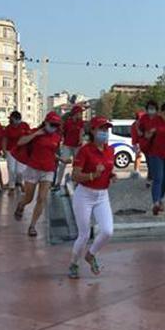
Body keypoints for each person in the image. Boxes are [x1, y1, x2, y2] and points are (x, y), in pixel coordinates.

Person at [68, 116, 116, 279]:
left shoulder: (110, 150)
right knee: (84, 234)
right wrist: (93, 175)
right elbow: (75, 175)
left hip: (102, 195)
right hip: (84, 195)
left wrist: (111, 176)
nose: (104, 133)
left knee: (108, 231)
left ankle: (90, 254)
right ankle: (74, 263)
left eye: (106, 129)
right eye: (101, 129)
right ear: (93, 131)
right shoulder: (85, 150)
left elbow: (109, 169)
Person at [14, 111, 63, 237]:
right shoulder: (35, 132)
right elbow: (20, 142)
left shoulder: (57, 136)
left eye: (56, 125)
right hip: (33, 168)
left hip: (48, 170)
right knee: (29, 198)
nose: (54, 127)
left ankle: (32, 226)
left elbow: (53, 152)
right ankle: (21, 204)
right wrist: (35, 134)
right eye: (52, 124)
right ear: (45, 122)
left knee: (41, 198)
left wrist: (60, 159)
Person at [53, 105, 85, 192]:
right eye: (80, 113)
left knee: (77, 165)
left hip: (77, 146)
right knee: (62, 164)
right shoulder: (68, 122)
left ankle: (76, 182)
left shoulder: (81, 122)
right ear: (75, 113)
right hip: (67, 145)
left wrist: (80, 139)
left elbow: (81, 131)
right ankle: (58, 183)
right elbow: (63, 132)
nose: (81, 115)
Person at [2, 111, 31, 193]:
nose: (11, 120)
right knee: (11, 169)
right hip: (10, 151)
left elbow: (29, 137)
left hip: (22, 151)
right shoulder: (8, 128)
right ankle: (11, 186)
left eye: (13, 119)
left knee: (20, 170)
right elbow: (5, 139)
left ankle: (20, 182)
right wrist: (4, 150)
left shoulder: (25, 126)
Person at [137, 100, 161, 189]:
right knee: (150, 163)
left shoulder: (159, 118)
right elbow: (139, 131)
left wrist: (155, 131)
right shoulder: (143, 118)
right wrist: (144, 134)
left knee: (156, 163)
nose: (151, 110)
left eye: (153, 108)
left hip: (158, 144)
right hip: (147, 144)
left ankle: (153, 179)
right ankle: (150, 178)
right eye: (150, 108)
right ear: (147, 109)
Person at [130, 110, 145, 176]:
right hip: (138, 142)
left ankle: (136, 170)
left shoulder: (134, 123)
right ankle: (136, 171)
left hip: (135, 142)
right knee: (138, 156)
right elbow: (140, 134)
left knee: (138, 156)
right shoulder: (138, 124)